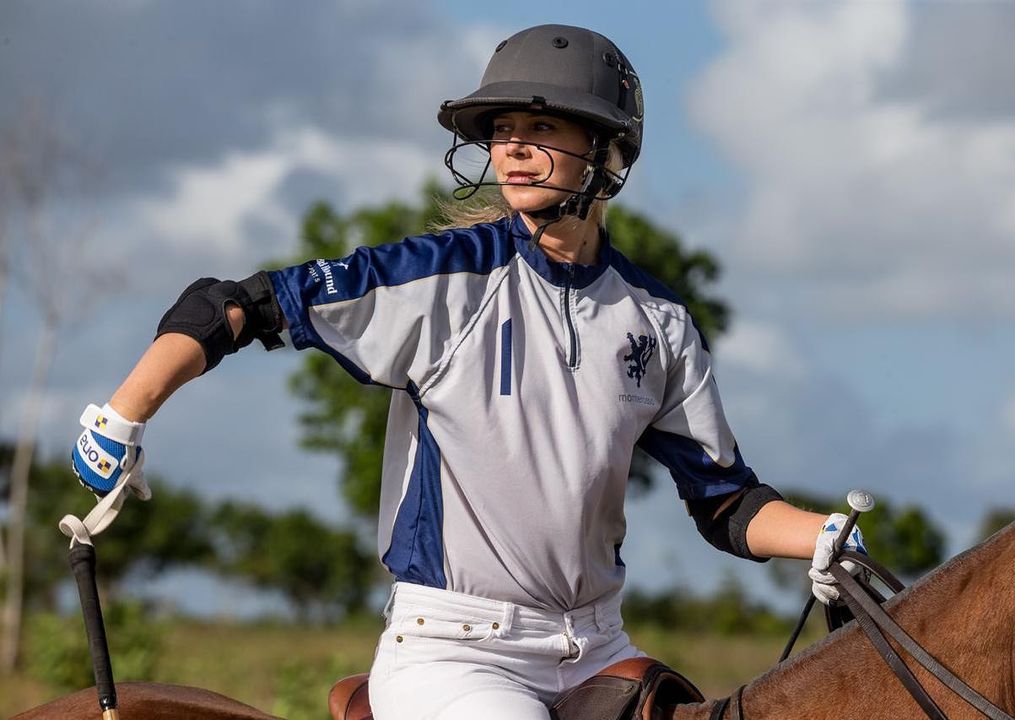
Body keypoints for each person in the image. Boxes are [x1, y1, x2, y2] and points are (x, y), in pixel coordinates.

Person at [70, 24, 866, 720]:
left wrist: (825, 537)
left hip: (597, 648)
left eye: (540, 126)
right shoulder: (439, 279)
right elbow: (235, 306)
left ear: (607, 150)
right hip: (454, 654)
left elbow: (726, 502)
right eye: (501, 130)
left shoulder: (659, 320)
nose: (510, 148)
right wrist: (122, 415)